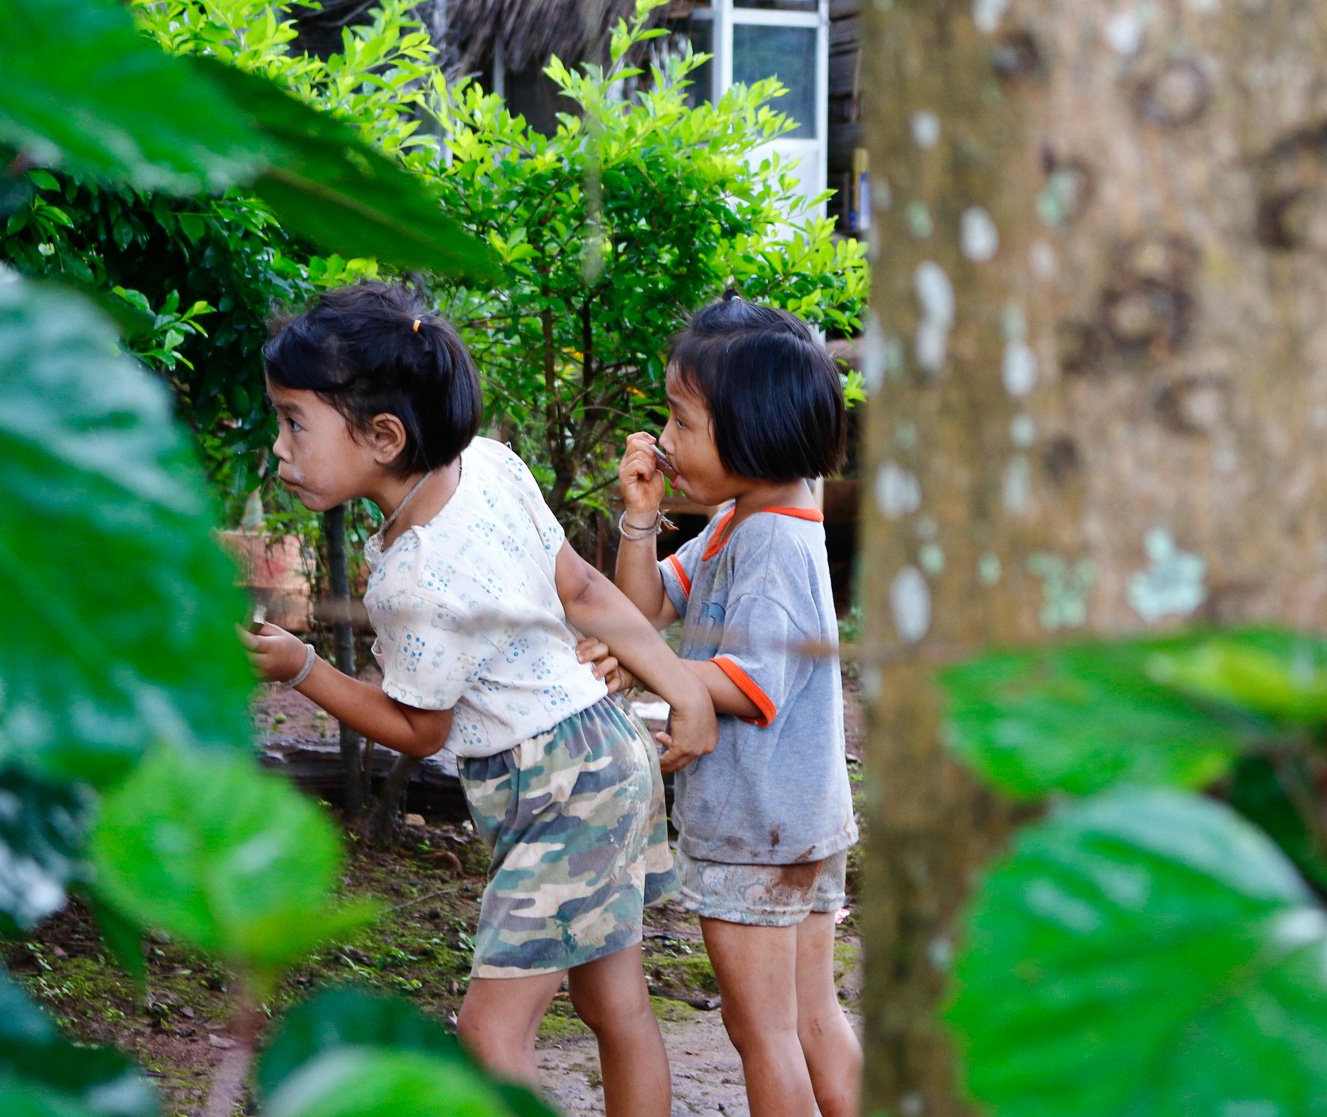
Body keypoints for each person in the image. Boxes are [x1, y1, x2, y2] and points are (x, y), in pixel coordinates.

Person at [242, 281, 716, 1117]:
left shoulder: (413, 574)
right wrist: (683, 691)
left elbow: (418, 730)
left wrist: (304, 669)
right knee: (617, 1005)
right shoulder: (492, 464)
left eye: (293, 421)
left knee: (491, 1038)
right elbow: (584, 584)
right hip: (609, 750)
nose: (279, 447)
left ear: (384, 437)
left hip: (557, 786)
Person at [604, 291, 862, 1117]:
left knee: (768, 1034)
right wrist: (641, 521)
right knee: (814, 1020)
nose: (666, 439)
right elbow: (645, 609)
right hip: (797, 819)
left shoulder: (776, 542)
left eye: (682, 421)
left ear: (751, 429)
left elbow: (752, 684)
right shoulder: (736, 520)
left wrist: (651, 671)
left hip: (759, 830)